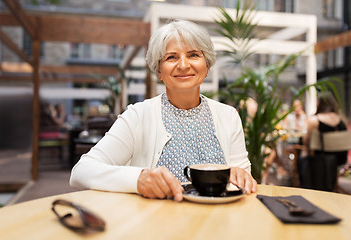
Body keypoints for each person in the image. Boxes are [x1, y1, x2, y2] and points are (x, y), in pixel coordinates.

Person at [70, 19, 257, 201]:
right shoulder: (137, 116)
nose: (183, 65)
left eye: (193, 55)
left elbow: (243, 182)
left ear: (207, 66)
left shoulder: (229, 116)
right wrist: (139, 179)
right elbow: (81, 172)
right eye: (171, 57)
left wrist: (241, 176)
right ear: (159, 71)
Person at [299, 92, 348, 191]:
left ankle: (304, 185)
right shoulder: (342, 119)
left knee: (301, 154)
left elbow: (306, 141)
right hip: (339, 159)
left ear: (319, 104)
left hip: (319, 160)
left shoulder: (314, 120)